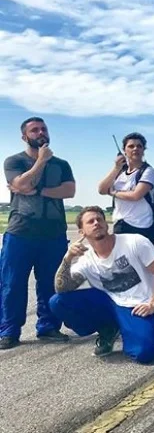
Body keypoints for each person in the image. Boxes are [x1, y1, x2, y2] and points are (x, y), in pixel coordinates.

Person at [48, 206, 154, 363]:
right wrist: (67, 257)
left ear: (106, 225)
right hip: (108, 302)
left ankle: (130, 330)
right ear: (82, 232)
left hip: (136, 305)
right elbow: (61, 288)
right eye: (90, 221)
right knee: (58, 301)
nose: (96, 223)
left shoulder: (134, 242)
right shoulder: (86, 259)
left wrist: (153, 302)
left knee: (144, 354)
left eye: (99, 219)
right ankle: (108, 329)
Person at [0, 117, 75, 350]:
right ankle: (9, 331)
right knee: (12, 284)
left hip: (53, 233)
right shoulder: (14, 161)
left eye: (43, 128)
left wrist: (38, 190)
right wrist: (41, 162)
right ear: (25, 136)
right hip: (20, 232)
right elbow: (20, 185)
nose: (40, 132)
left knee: (50, 284)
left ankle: (48, 327)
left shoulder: (61, 164)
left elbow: (70, 191)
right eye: (34, 130)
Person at [97, 132, 154, 245]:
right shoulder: (120, 172)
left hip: (142, 225)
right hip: (120, 224)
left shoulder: (148, 171)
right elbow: (101, 189)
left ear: (144, 150)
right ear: (124, 151)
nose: (135, 149)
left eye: (139, 146)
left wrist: (114, 192)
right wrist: (116, 168)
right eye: (131, 146)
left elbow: (136, 195)